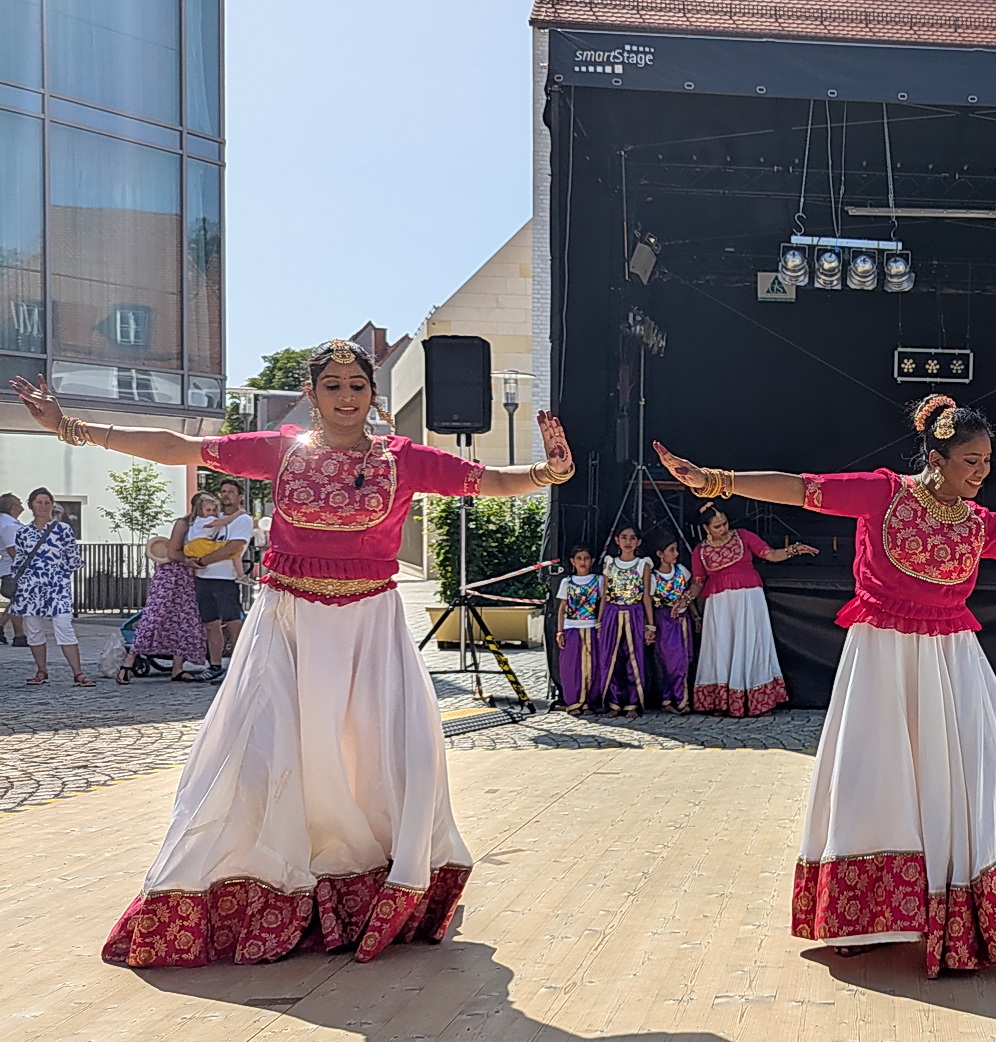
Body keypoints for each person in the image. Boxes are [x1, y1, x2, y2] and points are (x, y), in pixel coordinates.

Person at [10, 340, 576, 967]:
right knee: (270, 750)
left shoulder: (402, 460)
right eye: (332, 385)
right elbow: (179, 449)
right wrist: (72, 429)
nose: (346, 396)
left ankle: (370, 882)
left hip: (370, 626)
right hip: (289, 624)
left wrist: (545, 474)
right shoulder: (281, 451)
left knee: (382, 753)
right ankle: (271, 882)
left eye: (357, 385)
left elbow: (488, 482)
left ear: (372, 393)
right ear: (312, 393)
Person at [654, 393, 996, 977]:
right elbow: (800, 486)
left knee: (964, 776)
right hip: (882, 655)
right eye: (971, 460)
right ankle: (866, 914)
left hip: (954, 663)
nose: (983, 472)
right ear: (936, 458)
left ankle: (959, 903)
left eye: (988, 461)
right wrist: (718, 481)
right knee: (875, 773)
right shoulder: (884, 494)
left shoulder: (980, 523)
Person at [688, 502, 816, 716]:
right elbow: (698, 582)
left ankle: (755, 700)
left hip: (749, 599)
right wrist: (684, 599)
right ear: (706, 528)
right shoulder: (700, 551)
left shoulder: (743, 536)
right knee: (721, 646)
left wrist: (794, 549)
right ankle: (721, 701)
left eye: (725, 523)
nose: (724, 529)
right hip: (719, 606)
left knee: (750, 642)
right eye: (717, 526)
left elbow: (771, 555)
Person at [119, 492, 219, 684]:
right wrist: (189, 561)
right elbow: (173, 552)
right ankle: (128, 662)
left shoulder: (213, 525)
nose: (212, 511)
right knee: (155, 616)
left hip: (191, 577)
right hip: (173, 575)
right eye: (208, 507)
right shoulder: (183, 524)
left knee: (186, 620)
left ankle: (177, 668)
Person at [11, 487, 90, 686]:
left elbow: (73, 558)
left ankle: (78, 672)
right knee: (34, 629)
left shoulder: (63, 529)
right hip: (30, 587)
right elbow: (19, 559)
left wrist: (61, 576)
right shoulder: (23, 532)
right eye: (39, 502)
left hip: (57, 586)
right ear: (31, 505)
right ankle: (41, 670)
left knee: (64, 625)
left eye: (47, 503)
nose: (44, 507)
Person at [189, 477, 252, 681]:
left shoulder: (243, 520)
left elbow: (232, 548)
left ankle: (237, 665)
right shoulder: (209, 517)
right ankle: (214, 665)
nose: (226, 495)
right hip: (204, 577)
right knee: (210, 622)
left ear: (239, 496)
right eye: (223, 491)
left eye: (231, 492)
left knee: (232, 621)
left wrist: (203, 560)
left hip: (225, 578)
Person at [599, 525, 655, 718]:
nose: (628, 542)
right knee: (612, 658)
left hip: (634, 612)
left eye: (632, 538)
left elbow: (646, 595)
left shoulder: (643, 564)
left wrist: (650, 624)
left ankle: (632, 703)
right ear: (617, 540)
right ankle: (614, 702)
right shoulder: (609, 563)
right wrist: (599, 622)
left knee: (633, 658)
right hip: (612, 613)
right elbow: (605, 595)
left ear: (638, 542)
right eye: (624, 537)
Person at [554, 544, 603, 715]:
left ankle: (589, 702)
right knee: (571, 667)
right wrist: (560, 630)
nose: (583, 562)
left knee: (592, 666)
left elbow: (603, 604)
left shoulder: (599, 580)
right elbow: (562, 607)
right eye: (579, 558)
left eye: (586, 558)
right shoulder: (567, 582)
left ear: (592, 561)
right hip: (572, 627)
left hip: (591, 627)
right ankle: (573, 702)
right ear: (572, 561)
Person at [649, 536, 696, 713]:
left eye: (676, 549)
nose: (675, 553)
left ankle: (670, 700)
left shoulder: (682, 571)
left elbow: (687, 596)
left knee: (686, 659)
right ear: (660, 554)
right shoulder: (654, 578)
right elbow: (650, 603)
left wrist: (696, 616)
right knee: (672, 661)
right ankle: (678, 701)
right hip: (664, 621)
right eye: (671, 550)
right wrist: (650, 626)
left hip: (683, 621)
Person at [0, 491, 23, 645]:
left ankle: (6, 629)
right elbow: (11, 549)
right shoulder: (8, 525)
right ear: (13, 507)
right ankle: (19, 636)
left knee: (18, 600)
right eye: (19, 502)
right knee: (18, 600)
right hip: (13, 569)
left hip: (12, 568)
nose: (22, 504)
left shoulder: (10, 523)